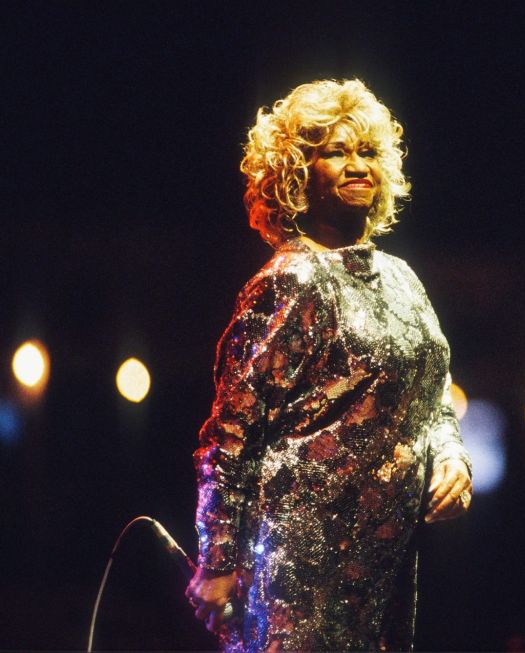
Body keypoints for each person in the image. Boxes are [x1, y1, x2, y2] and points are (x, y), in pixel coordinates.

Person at [184, 79, 472, 652]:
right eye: (336, 152)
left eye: (367, 152)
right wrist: (217, 561)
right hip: (299, 565)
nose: (358, 164)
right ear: (295, 175)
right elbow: (232, 435)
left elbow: (435, 397)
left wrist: (452, 457)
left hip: (384, 565)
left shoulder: (402, 279)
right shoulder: (289, 283)